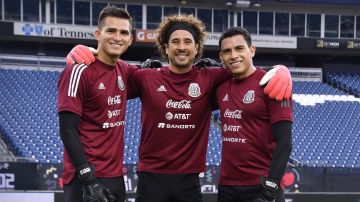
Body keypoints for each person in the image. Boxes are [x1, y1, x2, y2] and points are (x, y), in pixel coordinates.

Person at [66, 14, 292, 202]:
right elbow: (110, 69)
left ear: (197, 47)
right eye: (175, 41)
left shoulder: (214, 78)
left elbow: (246, 70)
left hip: (189, 181)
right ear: (165, 47)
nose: (181, 47)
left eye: (187, 42)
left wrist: (281, 70)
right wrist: (87, 52)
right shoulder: (145, 77)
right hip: (150, 178)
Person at [58, 6, 138, 202]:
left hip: (115, 177)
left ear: (130, 40)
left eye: (123, 33)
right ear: (98, 34)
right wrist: (87, 179)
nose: (117, 37)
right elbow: (67, 130)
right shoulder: (78, 71)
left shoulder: (125, 70)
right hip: (84, 180)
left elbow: (155, 78)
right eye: (111, 30)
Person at [215, 27, 293, 202]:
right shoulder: (220, 88)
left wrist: (270, 189)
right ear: (221, 57)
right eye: (227, 51)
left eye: (239, 48)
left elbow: (285, 142)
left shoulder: (273, 83)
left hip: (261, 187)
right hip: (227, 187)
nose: (233, 55)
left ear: (252, 50)